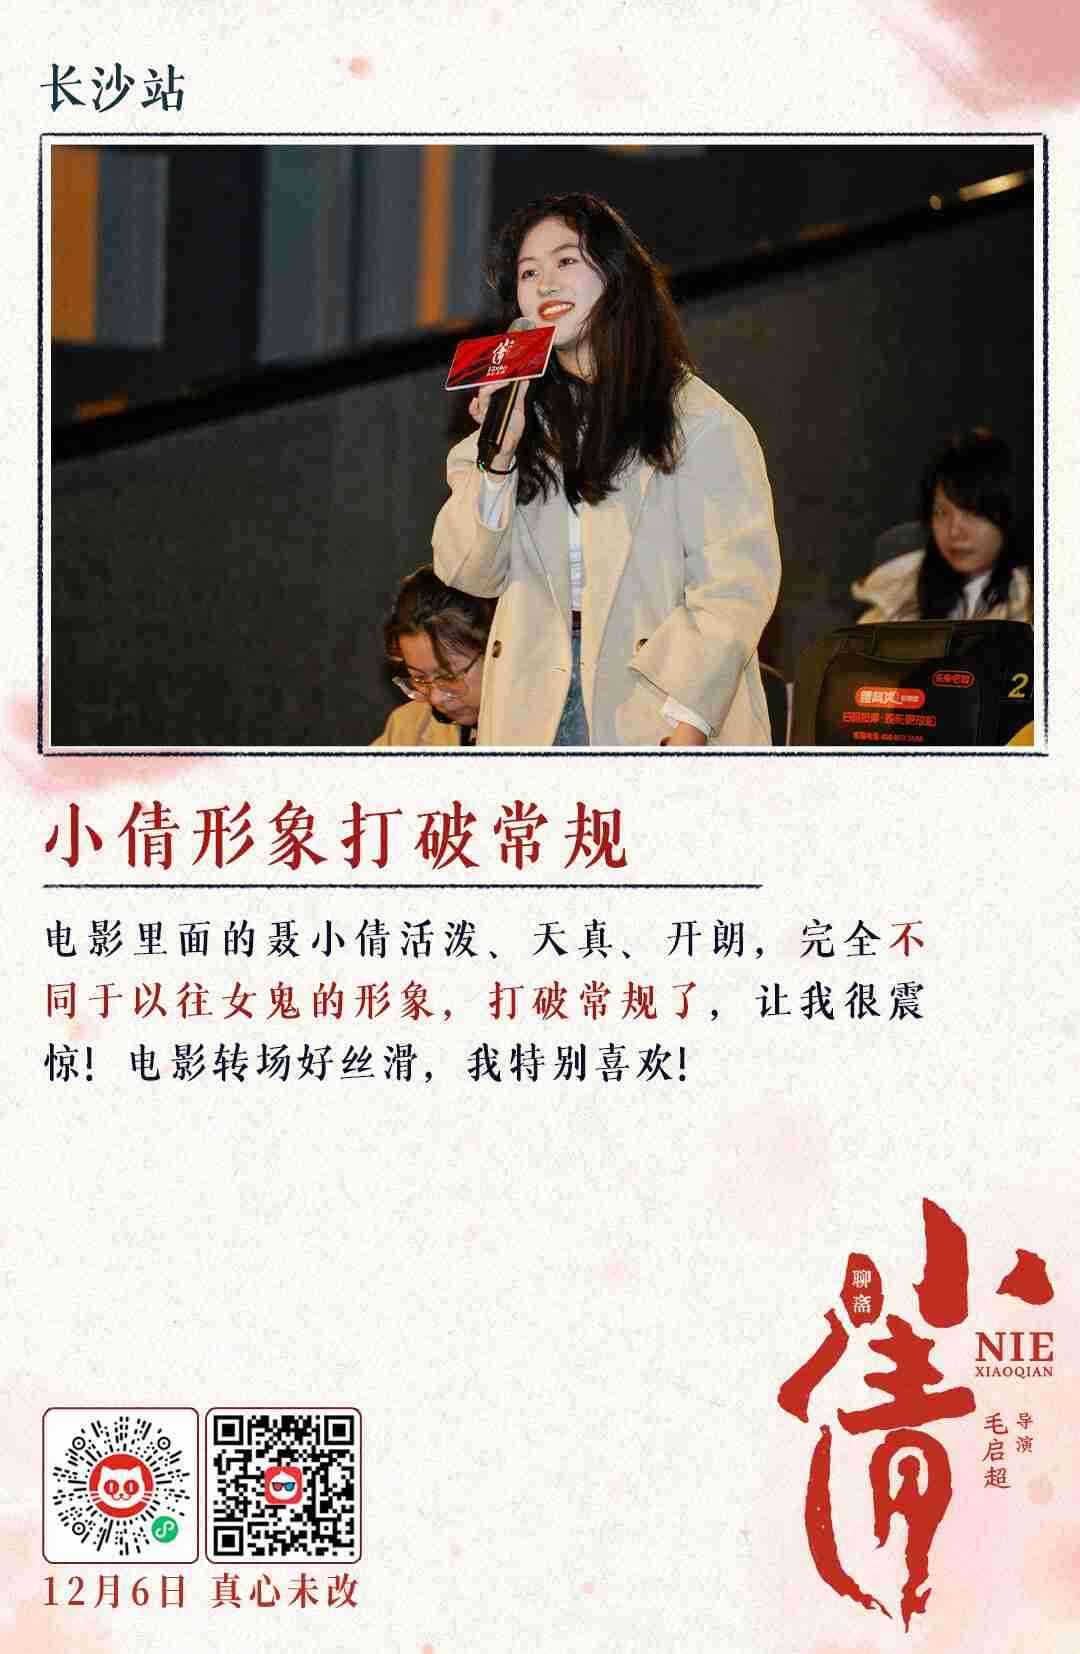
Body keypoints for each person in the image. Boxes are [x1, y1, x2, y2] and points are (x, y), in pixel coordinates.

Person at [432, 193, 781, 746]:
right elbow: (468, 572)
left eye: (566, 261)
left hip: (656, 700)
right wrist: (498, 458)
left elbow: (733, 588)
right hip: (532, 699)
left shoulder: (700, 421)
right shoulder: (516, 420)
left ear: (615, 275)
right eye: (529, 272)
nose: (545, 284)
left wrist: (689, 722)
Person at [852, 428, 1033, 625]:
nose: (954, 531)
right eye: (941, 513)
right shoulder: (901, 588)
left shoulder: (1032, 598)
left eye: (972, 512)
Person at [372, 564, 494, 746]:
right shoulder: (408, 728)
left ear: (494, 652)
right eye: (419, 678)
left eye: (449, 676)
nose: (436, 698)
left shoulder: (536, 727)